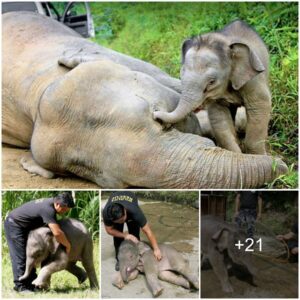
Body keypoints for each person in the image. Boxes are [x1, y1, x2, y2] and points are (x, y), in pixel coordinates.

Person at [4, 192, 75, 293]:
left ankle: (31, 284)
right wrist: (67, 245)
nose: (64, 212)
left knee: (31, 256)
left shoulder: (52, 204)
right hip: (14, 225)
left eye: (67, 210)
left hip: (25, 226)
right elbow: (57, 233)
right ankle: (20, 286)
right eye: (63, 209)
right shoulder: (48, 210)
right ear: (58, 204)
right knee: (20, 256)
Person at [103, 191, 162, 271]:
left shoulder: (135, 211)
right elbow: (109, 230)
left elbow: (148, 231)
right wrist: (125, 235)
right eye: (118, 222)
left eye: (122, 220)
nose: (121, 222)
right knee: (117, 238)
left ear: (125, 210)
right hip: (116, 198)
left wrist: (156, 249)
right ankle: (120, 260)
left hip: (130, 198)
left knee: (134, 235)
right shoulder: (107, 213)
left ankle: (135, 257)